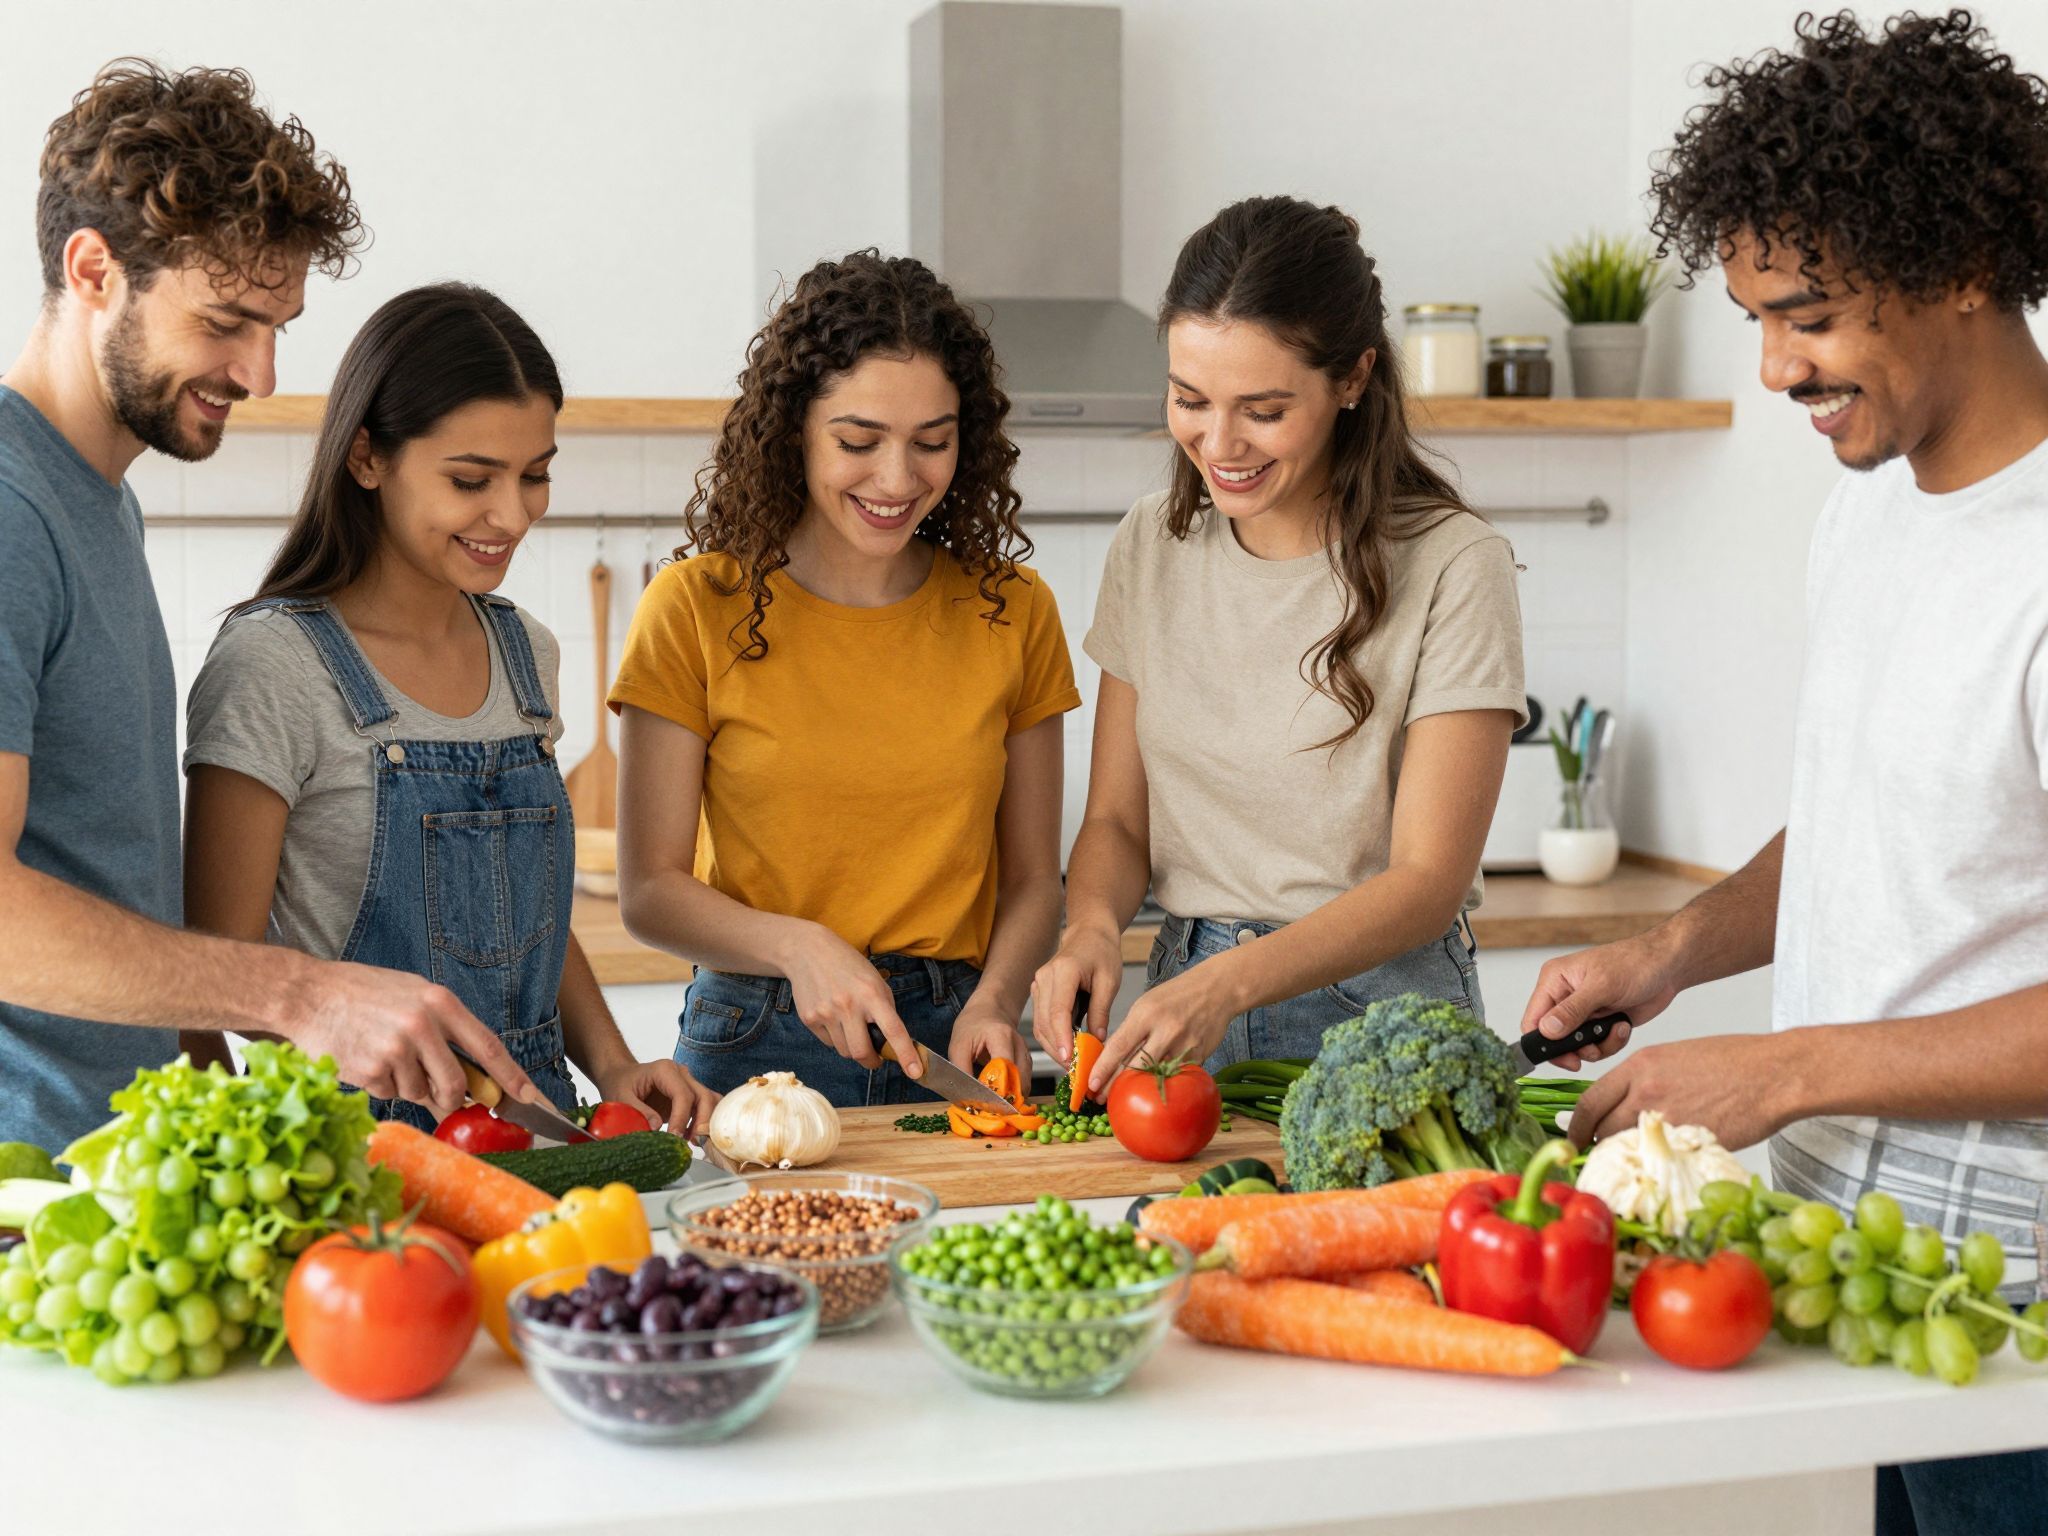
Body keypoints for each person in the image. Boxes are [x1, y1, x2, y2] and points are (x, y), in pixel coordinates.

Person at [1517, 13, 2048, 1532]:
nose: (1770, 369)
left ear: (1960, 265)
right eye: (1754, 317)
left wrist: (1782, 1067)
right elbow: (1879, 831)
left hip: (2013, 1291)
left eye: (1804, 315)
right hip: (1870, 1260)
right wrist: (1673, 951)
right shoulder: (1871, 508)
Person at [0, 60, 540, 1153]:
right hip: (28, 1186)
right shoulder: (12, 511)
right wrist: (299, 995)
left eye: (278, 326)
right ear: (93, 270)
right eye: (226, 322)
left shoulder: (98, 501)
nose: (262, 374)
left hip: (113, 1163)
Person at [181, 284, 717, 1135]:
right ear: (368, 457)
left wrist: (615, 1065)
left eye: (535, 475)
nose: (513, 514)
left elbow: (528, 920)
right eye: (471, 480)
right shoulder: (275, 664)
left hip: (540, 1128)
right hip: (351, 1147)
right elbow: (213, 977)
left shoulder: (527, 653)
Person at [1033, 196, 1526, 1098]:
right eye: (1189, 400)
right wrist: (1092, 928)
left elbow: (1428, 879)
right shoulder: (1152, 542)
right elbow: (1116, 822)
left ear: (1353, 377)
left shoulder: (1454, 562)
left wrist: (1232, 983)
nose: (1218, 443)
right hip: (1184, 992)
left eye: (1262, 410)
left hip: (1381, 1010)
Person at [609, 251, 1078, 1108]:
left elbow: (1032, 882)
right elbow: (649, 893)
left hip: (953, 1036)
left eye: (932, 443)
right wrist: (799, 947)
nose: (897, 480)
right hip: (758, 1034)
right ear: (794, 430)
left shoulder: (1013, 610)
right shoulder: (695, 607)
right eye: (858, 442)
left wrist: (998, 998)